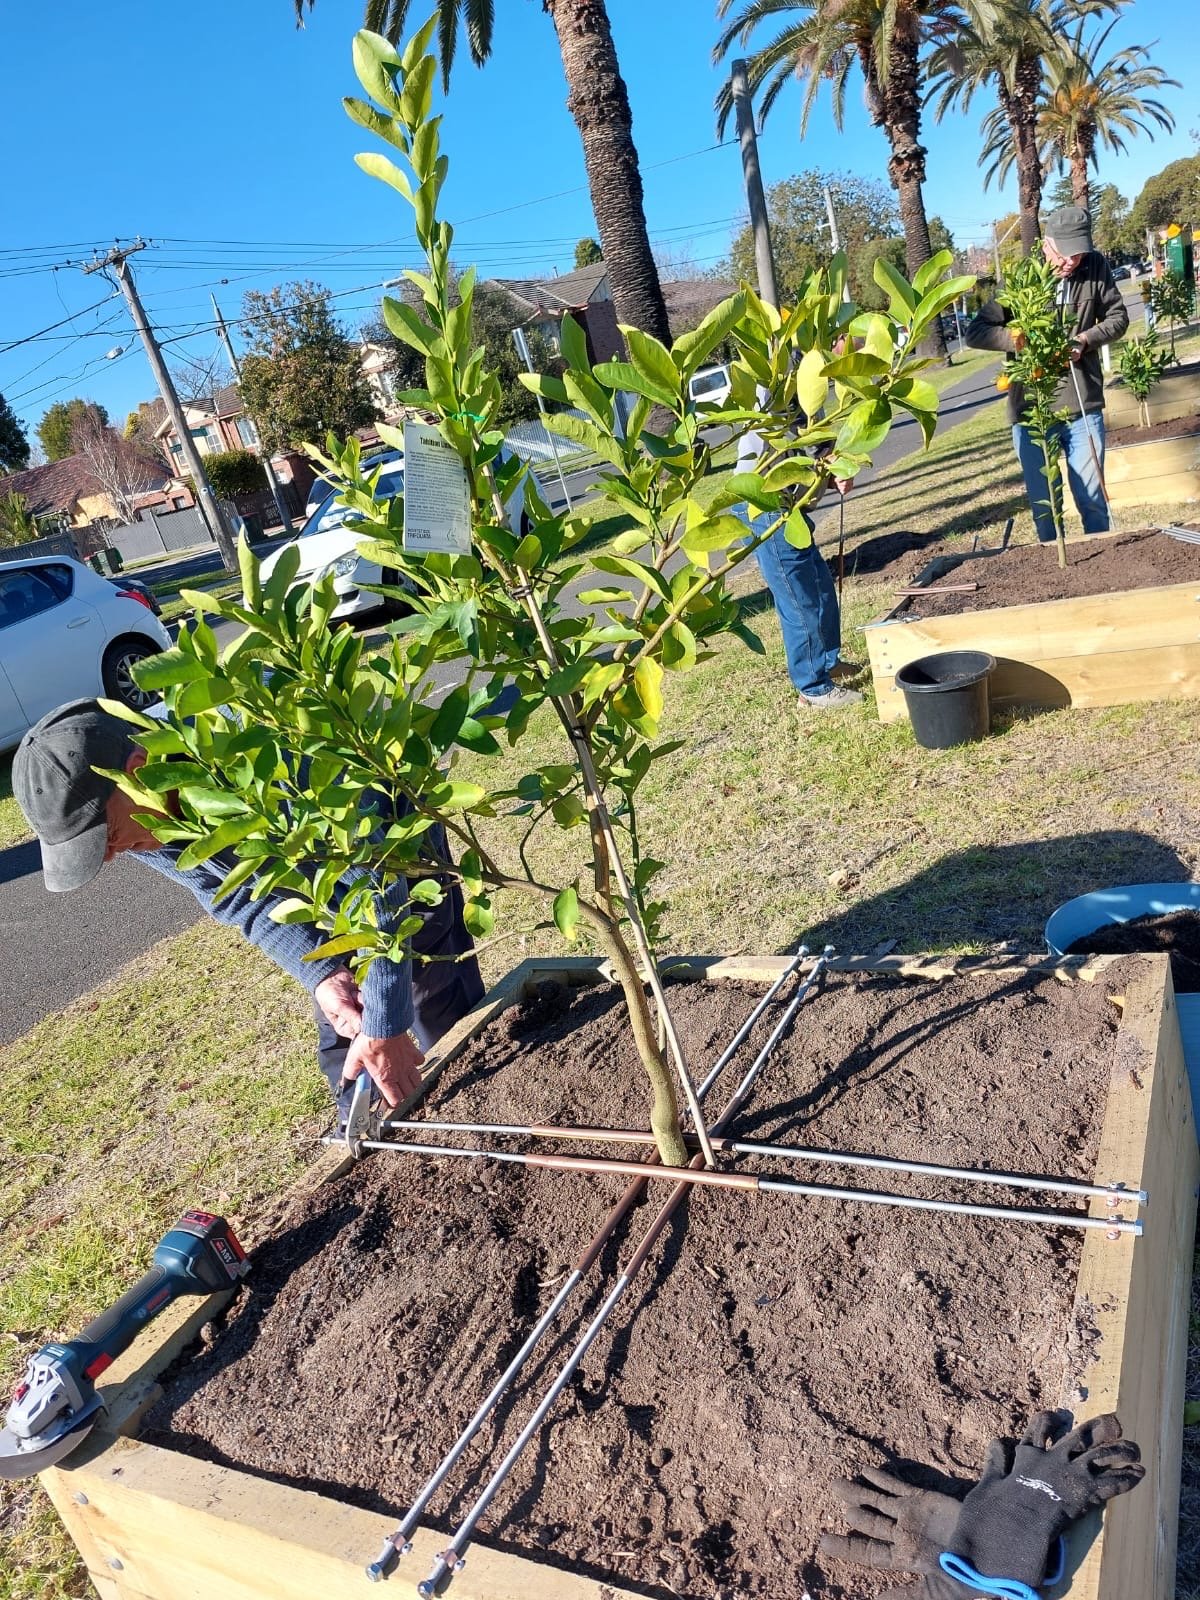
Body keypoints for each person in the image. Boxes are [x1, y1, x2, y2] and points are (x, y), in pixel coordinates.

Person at [12, 698, 484, 1123]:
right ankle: (363, 1134)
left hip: (397, 859)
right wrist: (322, 975)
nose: (112, 855)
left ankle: (478, 1098)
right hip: (314, 895)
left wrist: (387, 1023)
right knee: (346, 1027)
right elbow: (237, 897)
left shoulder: (273, 748)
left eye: (108, 837)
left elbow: (381, 887)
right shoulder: (141, 811)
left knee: (430, 1003)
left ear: (139, 771)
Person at [967, 205, 1129, 545]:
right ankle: (1056, 564)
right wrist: (1017, 339)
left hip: (1083, 404)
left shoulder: (1096, 267)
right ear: (1047, 244)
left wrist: (1086, 339)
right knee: (1045, 506)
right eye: (1066, 254)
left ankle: (1101, 558)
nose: (1072, 262)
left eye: (1078, 254)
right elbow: (976, 331)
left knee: (1093, 501)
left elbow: (1118, 319)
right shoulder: (1018, 279)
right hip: (1032, 409)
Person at [736, 408, 860, 710]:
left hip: (792, 511)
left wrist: (831, 476)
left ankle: (828, 662)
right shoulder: (774, 384)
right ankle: (813, 688)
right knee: (799, 600)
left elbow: (814, 445)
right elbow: (789, 435)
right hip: (767, 508)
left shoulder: (806, 379)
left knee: (820, 589)